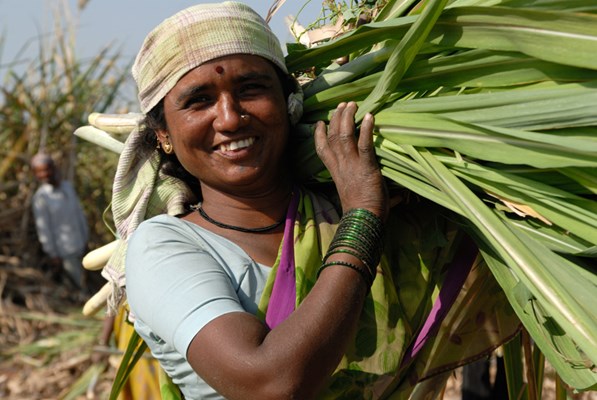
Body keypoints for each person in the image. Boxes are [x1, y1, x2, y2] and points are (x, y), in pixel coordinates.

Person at [101, 2, 520, 399]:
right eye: (199, 101)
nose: (229, 118)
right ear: (163, 135)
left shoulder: (350, 207)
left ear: (288, 103)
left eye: (251, 88)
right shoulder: (164, 246)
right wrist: (362, 217)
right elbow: (269, 384)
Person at [31, 152, 89, 292]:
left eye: (47, 169)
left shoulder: (67, 187)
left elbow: (79, 214)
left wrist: (86, 238)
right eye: (41, 172)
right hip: (64, 251)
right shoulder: (41, 198)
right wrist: (52, 253)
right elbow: (44, 229)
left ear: (53, 168)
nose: (45, 174)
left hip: (80, 243)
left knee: (84, 277)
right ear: (36, 175)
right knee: (76, 283)